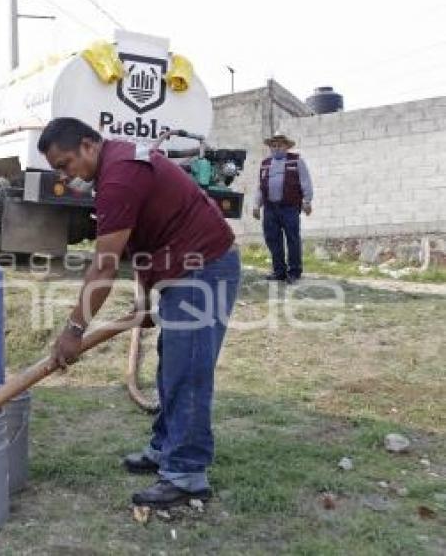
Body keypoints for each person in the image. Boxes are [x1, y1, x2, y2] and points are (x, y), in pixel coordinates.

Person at [38, 117, 241, 509]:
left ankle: (185, 474)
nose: (67, 175)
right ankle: (166, 447)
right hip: (182, 265)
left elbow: (104, 266)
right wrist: (145, 300)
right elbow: (145, 243)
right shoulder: (115, 167)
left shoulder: (118, 177)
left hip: (205, 266)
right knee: (172, 364)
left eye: (65, 164)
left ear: (87, 145)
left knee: (189, 367)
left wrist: (74, 331)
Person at [252, 133, 313, 283]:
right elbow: (261, 187)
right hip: (270, 208)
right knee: (272, 239)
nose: (277, 148)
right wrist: (256, 205)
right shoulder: (265, 163)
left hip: (290, 207)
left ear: (286, 146)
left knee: (292, 239)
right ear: (270, 147)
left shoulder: (296, 161)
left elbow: (306, 181)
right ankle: (279, 271)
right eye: (274, 145)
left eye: (280, 145)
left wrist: (307, 201)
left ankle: (294, 272)